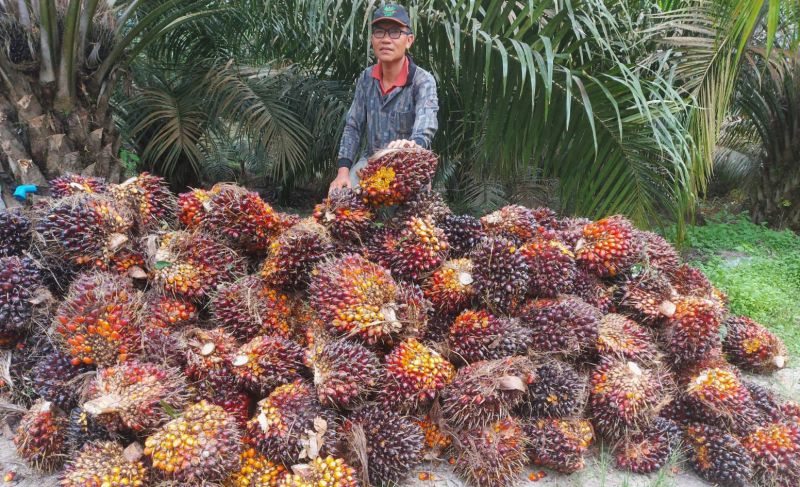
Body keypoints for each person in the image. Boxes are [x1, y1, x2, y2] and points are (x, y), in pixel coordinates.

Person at [329, 3, 439, 192]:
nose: (386, 39)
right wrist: (343, 171)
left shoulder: (422, 81)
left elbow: (426, 124)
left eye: (395, 32)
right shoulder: (366, 78)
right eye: (379, 32)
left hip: (409, 164)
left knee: (416, 216)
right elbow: (353, 126)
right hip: (371, 162)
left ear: (409, 40)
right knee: (340, 197)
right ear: (372, 39)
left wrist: (412, 146)